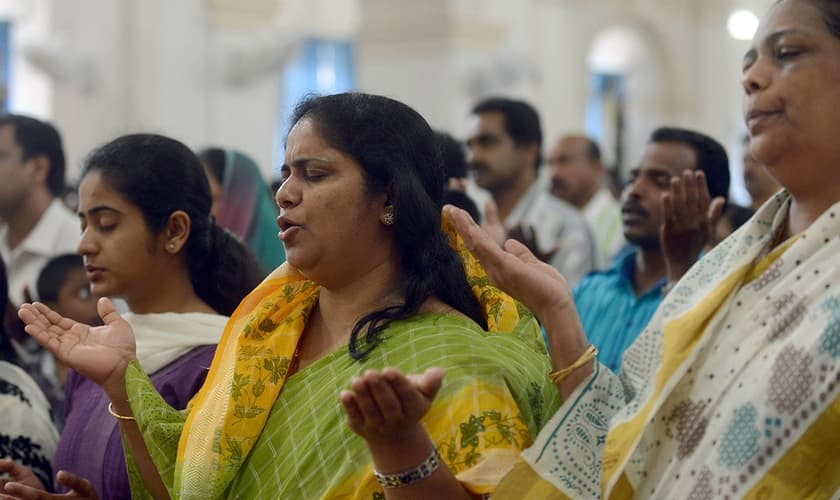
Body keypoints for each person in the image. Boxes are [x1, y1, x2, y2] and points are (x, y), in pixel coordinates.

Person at [18, 93, 557, 499]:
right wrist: (122, 383)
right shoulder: (265, 333)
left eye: (314, 174)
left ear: (388, 194)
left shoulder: (457, 363)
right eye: (285, 175)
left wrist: (400, 445)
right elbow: (192, 488)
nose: (285, 193)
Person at [451, 1, 840, 496]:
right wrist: (555, 308)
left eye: (787, 53)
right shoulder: (727, 264)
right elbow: (629, 436)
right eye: (748, 62)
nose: (752, 78)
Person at [4, 134, 264, 500]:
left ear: (174, 231)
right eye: (83, 225)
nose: (84, 244)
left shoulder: (220, 364)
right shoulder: (92, 357)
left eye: (106, 224)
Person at [575, 127, 730, 372]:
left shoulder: (720, 300)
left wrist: (682, 268)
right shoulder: (588, 291)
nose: (634, 191)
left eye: (661, 182)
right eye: (633, 178)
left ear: (709, 208)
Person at [466, 97, 596, 286]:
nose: (473, 157)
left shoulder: (565, 228)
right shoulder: (470, 219)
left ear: (528, 151)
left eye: (487, 142)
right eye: (470, 146)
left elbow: (573, 303)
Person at [197, 147, 286, 275]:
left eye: (212, 199)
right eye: (197, 198)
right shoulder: (198, 258)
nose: (200, 209)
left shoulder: (285, 266)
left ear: (240, 202)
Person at [548, 134, 625, 267]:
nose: (554, 173)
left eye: (564, 161)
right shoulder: (553, 223)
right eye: (550, 163)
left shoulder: (622, 226)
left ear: (597, 167)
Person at [742, 134, 781, 211]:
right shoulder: (734, 216)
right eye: (745, 161)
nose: (748, 169)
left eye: (755, 161)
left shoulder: (790, 216)